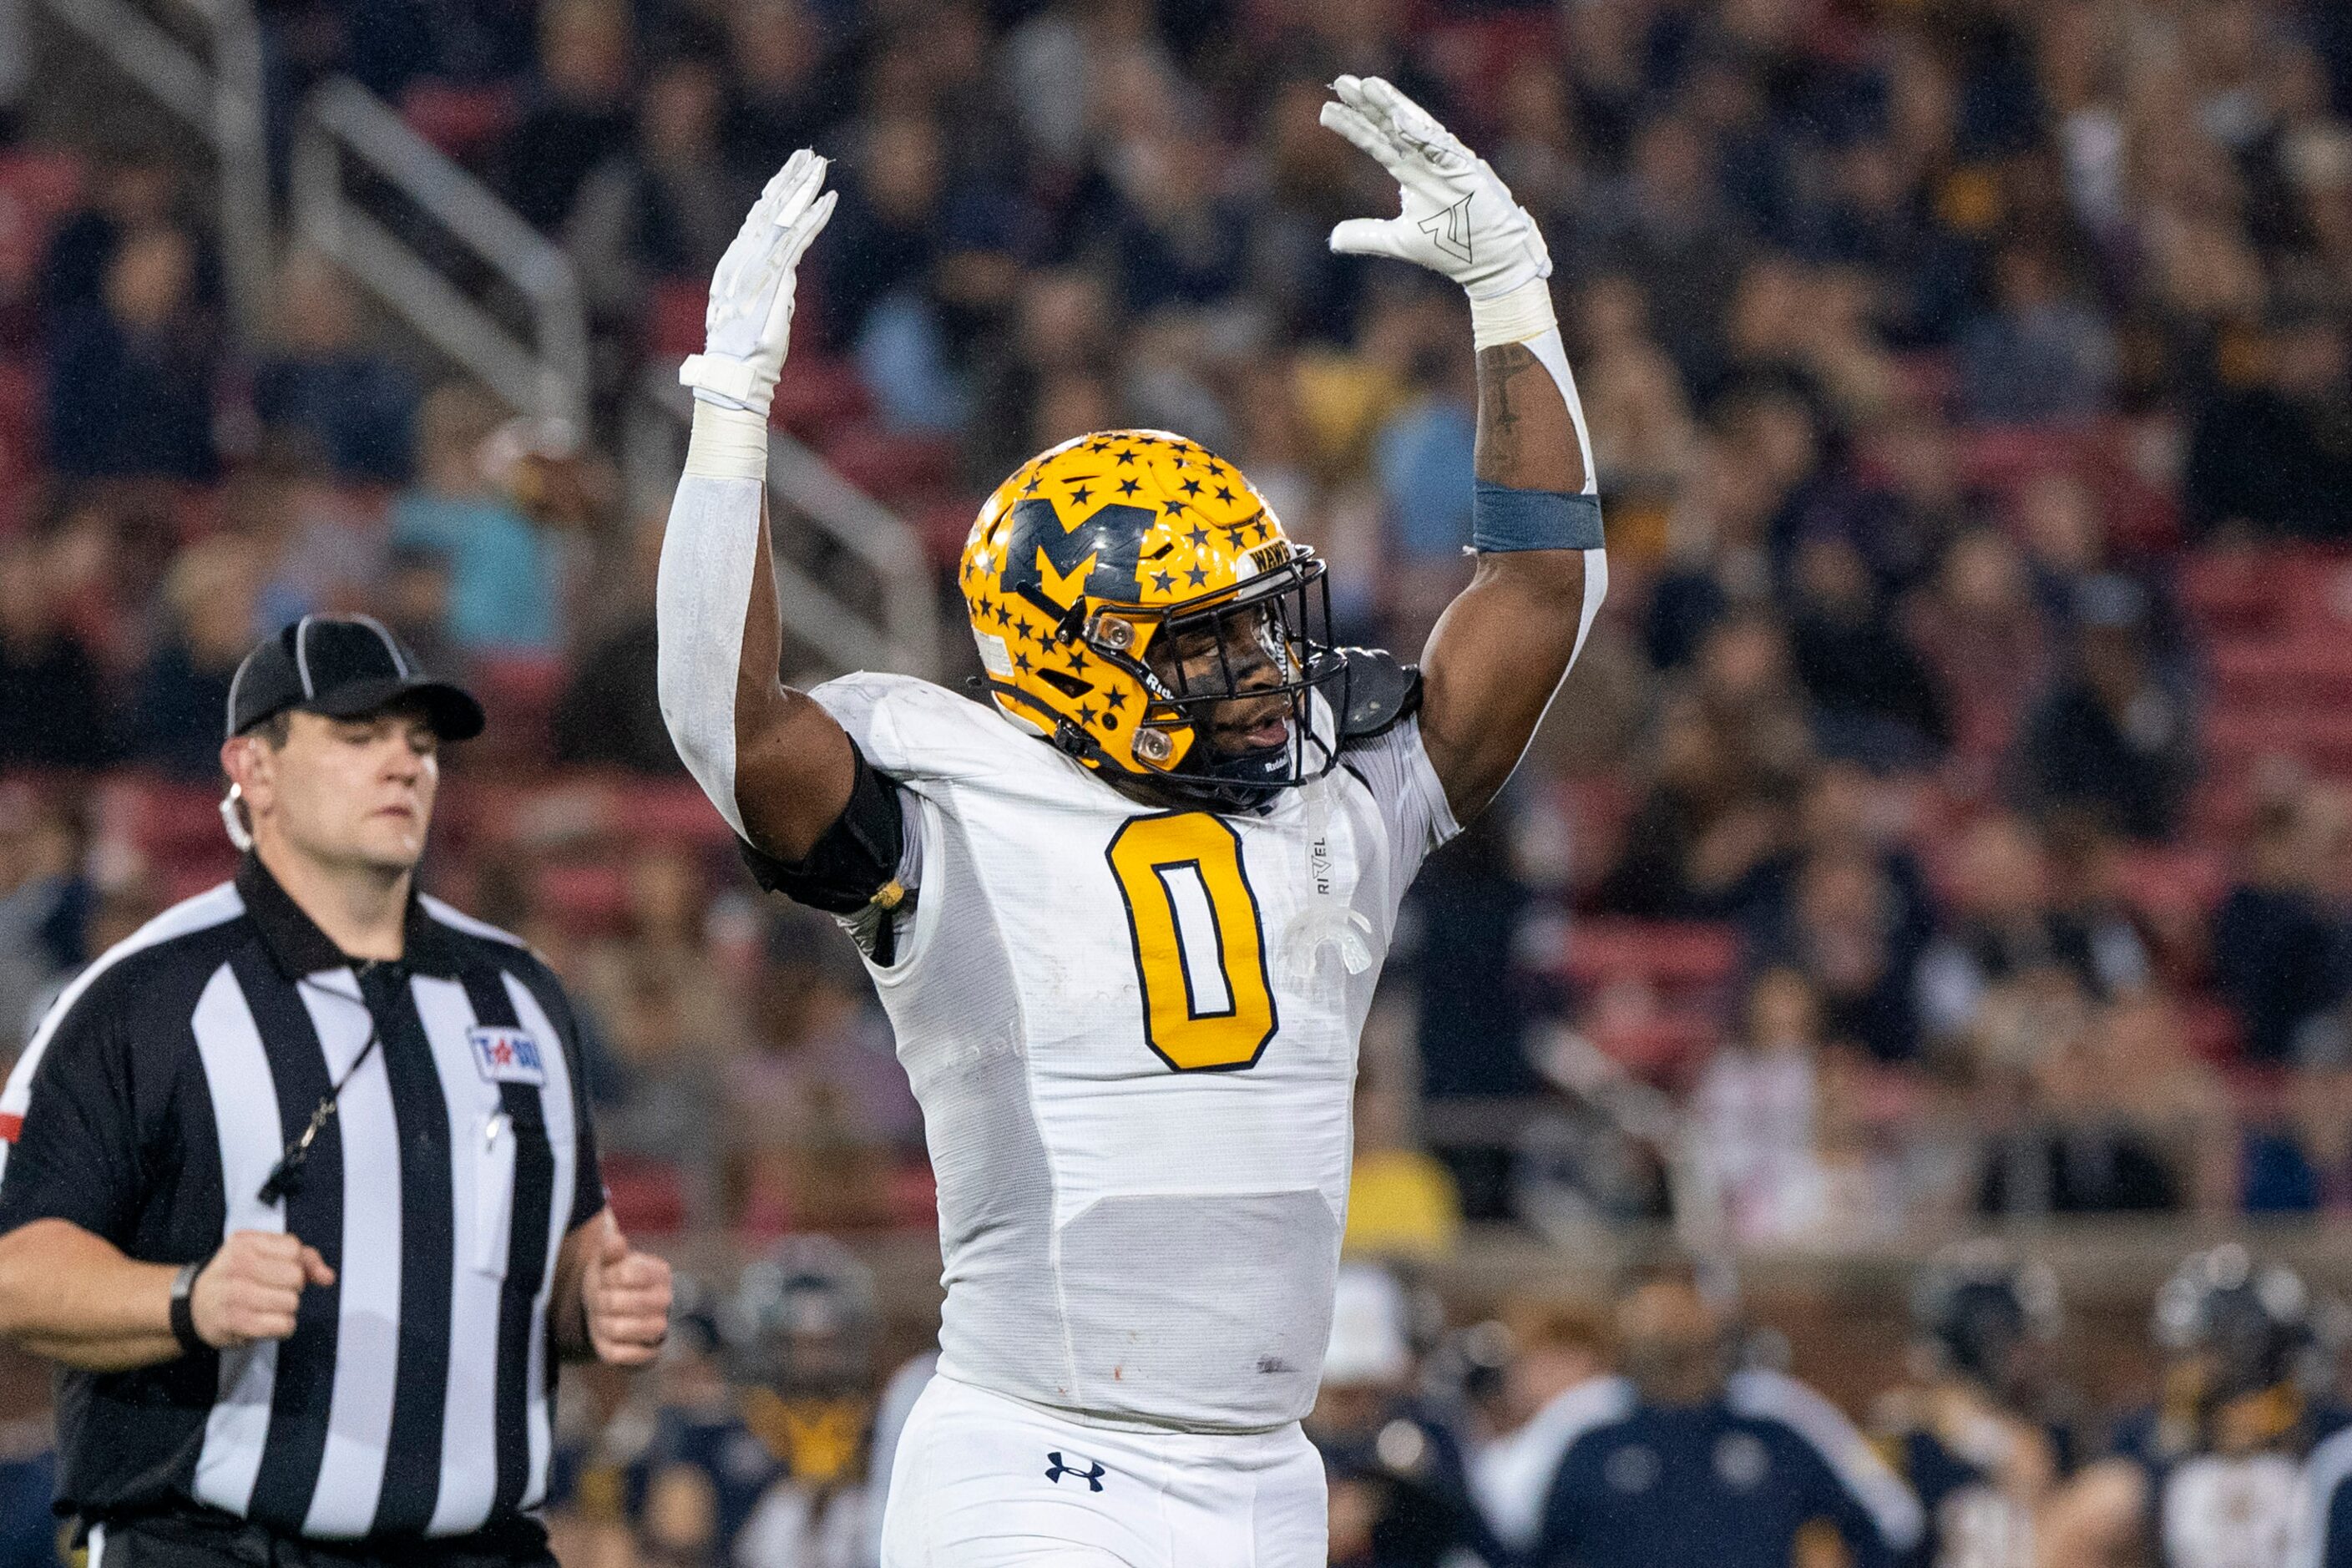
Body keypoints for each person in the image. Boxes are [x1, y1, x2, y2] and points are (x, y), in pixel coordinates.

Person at [656, 77, 1608, 1567]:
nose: (1261, 672)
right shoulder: (953, 820)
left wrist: (1511, 291)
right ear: (1071, 653)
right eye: (1205, 641)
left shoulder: (1330, 805)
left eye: (1260, 628)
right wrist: (731, 407)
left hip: (1268, 1473)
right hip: (1037, 1459)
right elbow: (729, 726)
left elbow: (1538, 594)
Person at [0, 614, 673, 1562]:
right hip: (219, 1546)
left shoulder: (519, 994)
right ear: (254, 769)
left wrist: (595, 1307)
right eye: (358, 738)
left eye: (420, 743)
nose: (403, 766)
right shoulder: (143, 999)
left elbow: (565, 1257)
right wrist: (189, 1297)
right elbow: (17, 1272)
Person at [1524, 1265, 1922, 1568]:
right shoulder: (1580, 1420)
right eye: (1656, 1320)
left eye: (1684, 1314)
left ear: (1717, 1319)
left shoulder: (1779, 1413)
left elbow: (1892, 1525)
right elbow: (1509, 1538)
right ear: (1623, 1322)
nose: (1670, 1329)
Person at [2041, 1245, 2347, 1568]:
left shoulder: (2326, 1435)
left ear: (2248, 1351)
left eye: (2198, 1350)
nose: (2182, 1370)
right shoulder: (2150, 1436)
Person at [1874, 1245, 2070, 1568]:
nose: (2039, 1355)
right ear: (1989, 1338)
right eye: (2024, 1337)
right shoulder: (1908, 1429)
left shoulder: (2034, 1431)